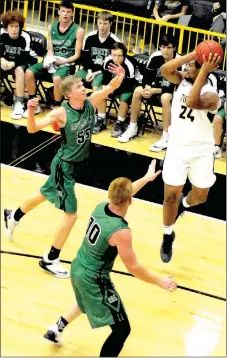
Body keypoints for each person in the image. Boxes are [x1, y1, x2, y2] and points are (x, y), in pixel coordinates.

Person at [43, 160, 177, 356]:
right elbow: (134, 268)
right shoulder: (121, 231)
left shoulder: (101, 206)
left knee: (85, 302)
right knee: (122, 329)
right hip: (94, 278)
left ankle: (57, 328)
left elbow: (126, 194)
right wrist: (160, 281)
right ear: (129, 201)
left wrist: (147, 179)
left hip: (78, 266)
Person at [4, 63, 126, 278]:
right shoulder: (62, 112)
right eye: (79, 86)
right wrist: (31, 111)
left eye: (82, 85)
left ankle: (13, 215)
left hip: (75, 164)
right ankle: (50, 258)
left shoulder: (90, 102)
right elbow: (32, 128)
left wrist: (120, 75)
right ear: (70, 94)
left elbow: (111, 87)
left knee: (44, 194)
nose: (83, 88)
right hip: (64, 167)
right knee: (71, 215)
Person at [159, 51, 221, 263]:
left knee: (200, 196)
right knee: (169, 196)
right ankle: (168, 234)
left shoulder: (212, 94)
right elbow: (165, 69)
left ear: (202, 68)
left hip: (202, 150)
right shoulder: (181, 81)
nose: (186, 68)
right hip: (177, 146)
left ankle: (183, 206)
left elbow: (193, 101)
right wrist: (194, 54)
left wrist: (203, 68)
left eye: (191, 65)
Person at [23, 0, 84, 118]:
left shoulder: (78, 30)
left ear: (72, 13)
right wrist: (49, 59)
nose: (65, 14)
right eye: (63, 11)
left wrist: (64, 61)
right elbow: (50, 48)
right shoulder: (51, 27)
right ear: (58, 12)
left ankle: (56, 107)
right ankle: (34, 105)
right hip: (53, 59)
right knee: (29, 72)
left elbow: (77, 55)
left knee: (56, 79)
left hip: (67, 63)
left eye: (68, 12)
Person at [118, 34, 179, 149]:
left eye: (169, 48)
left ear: (174, 48)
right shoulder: (155, 57)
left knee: (165, 97)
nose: (165, 51)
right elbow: (147, 77)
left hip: (170, 93)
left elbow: (177, 86)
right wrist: (147, 88)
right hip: (153, 89)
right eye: (163, 47)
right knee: (137, 91)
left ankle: (166, 135)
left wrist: (155, 90)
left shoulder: (179, 61)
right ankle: (133, 127)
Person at [94, 42, 136, 136]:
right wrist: (107, 87)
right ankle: (101, 119)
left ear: (124, 55)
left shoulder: (129, 64)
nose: (116, 58)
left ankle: (120, 122)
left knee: (125, 97)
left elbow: (131, 83)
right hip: (113, 85)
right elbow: (105, 76)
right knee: (102, 91)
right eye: (114, 55)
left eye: (119, 56)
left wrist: (114, 87)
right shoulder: (108, 60)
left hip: (127, 86)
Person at [0, 10, 34, 119]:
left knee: (19, 70)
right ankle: (4, 92)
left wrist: (12, 63)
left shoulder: (25, 37)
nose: (14, 30)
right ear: (6, 27)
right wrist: (2, 60)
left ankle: (19, 104)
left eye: (17, 26)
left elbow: (25, 58)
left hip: (22, 62)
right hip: (6, 62)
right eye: (11, 26)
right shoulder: (1, 33)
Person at [76, 11, 120, 92]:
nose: (102, 26)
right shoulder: (89, 37)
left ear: (110, 24)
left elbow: (112, 64)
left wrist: (94, 74)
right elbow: (85, 58)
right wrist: (89, 72)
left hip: (104, 73)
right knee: (73, 81)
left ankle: (92, 104)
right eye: (100, 23)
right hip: (87, 70)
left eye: (105, 23)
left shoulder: (115, 42)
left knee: (95, 86)